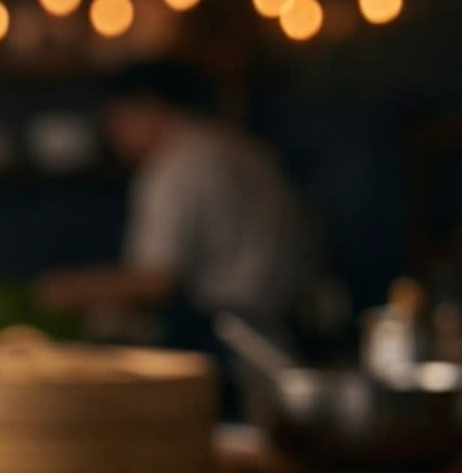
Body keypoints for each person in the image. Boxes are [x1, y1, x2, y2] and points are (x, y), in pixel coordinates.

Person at [39, 58, 307, 348]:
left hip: (225, 332)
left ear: (150, 107)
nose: (112, 133)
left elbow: (158, 281)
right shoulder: (238, 146)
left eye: (116, 118)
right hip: (286, 326)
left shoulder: (175, 166)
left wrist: (73, 290)